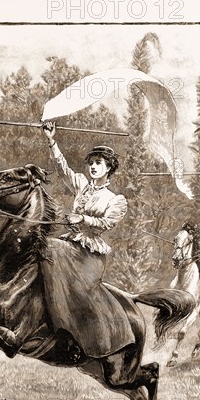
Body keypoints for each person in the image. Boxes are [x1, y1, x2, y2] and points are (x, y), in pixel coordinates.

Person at [41, 121, 134, 359]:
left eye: (98, 163)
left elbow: (106, 224)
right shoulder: (81, 185)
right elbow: (62, 169)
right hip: (70, 245)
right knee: (47, 250)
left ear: (108, 168)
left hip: (91, 255)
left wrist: (81, 218)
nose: (93, 167)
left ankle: (72, 333)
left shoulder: (116, 200)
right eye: (91, 163)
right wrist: (52, 140)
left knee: (52, 249)